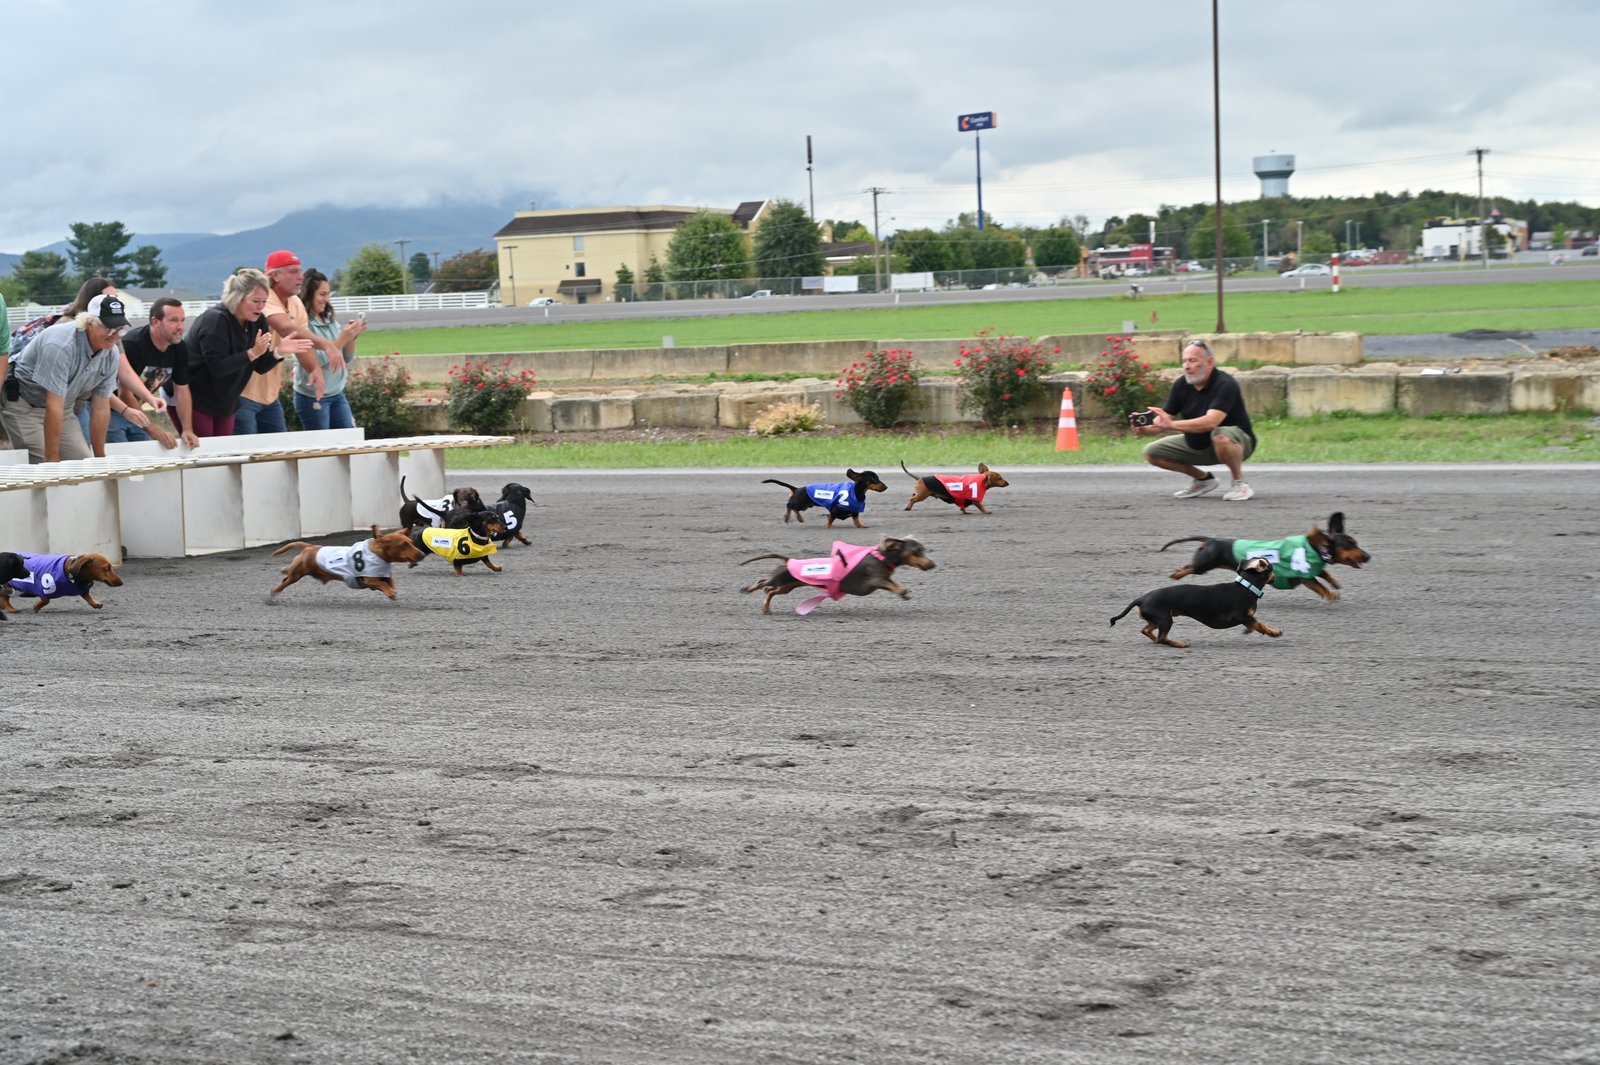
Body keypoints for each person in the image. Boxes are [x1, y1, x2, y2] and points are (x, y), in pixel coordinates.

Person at [0, 293, 128, 463]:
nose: (115, 335)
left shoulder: (111, 354)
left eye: (120, 329)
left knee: (83, 463)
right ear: (89, 323)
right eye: (108, 328)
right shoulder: (60, 345)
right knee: (45, 465)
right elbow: (54, 404)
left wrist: (100, 458)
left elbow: (101, 407)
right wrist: (52, 460)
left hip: (64, 409)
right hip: (25, 404)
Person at [185, 269, 309, 438]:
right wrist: (251, 353)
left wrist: (279, 351)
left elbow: (260, 366)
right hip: (194, 396)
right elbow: (217, 368)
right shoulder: (215, 320)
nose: (261, 307)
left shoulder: (257, 321)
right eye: (256, 301)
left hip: (225, 399)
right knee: (207, 453)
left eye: (264, 301)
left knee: (226, 453)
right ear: (237, 298)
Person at [1132, 338, 1257, 502]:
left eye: (1192, 360)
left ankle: (1239, 483)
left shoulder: (1225, 384)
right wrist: (1146, 429)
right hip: (1198, 444)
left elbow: (1210, 422)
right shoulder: (1181, 385)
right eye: (1184, 361)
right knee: (1152, 453)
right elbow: (1164, 420)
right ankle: (1203, 480)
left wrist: (1171, 425)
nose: (1186, 366)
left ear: (1210, 362)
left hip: (1236, 443)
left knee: (1221, 435)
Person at [238, 250, 344, 434]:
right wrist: (327, 345)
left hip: (269, 396)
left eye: (300, 271)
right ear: (276, 275)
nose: (301, 277)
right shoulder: (265, 297)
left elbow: (300, 342)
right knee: (246, 455)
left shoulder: (295, 302)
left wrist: (314, 369)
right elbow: (286, 328)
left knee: (278, 454)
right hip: (242, 393)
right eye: (294, 271)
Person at [110, 299, 198, 449]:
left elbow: (182, 390)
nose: (181, 327)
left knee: (143, 460)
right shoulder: (133, 344)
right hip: (111, 410)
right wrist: (153, 429)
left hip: (137, 412)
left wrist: (187, 429)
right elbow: (124, 394)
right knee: (122, 459)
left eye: (182, 320)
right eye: (174, 320)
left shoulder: (179, 347)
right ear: (155, 322)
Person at [294, 268, 367, 430]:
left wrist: (351, 336)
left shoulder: (328, 319)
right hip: (313, 396)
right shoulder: (302, 325)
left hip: (336, 393)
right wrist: (342, 339)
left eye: (328, 294)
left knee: (349, 442)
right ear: (309, 294)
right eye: (322, 294)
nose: (326, 299)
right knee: (322, 448)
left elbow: (346, 358)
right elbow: (315, 362)